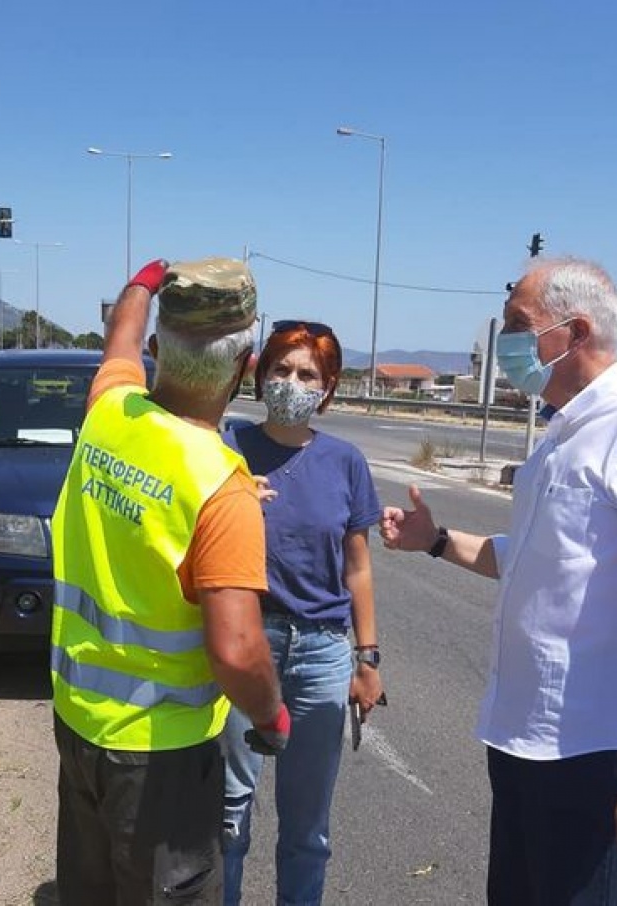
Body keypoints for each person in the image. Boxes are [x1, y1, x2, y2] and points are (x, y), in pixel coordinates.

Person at [380, 258, 617, 905]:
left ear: (574, 333)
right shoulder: (556, 441)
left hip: (592, 757)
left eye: (518, 325)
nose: (503, 345)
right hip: (522, 744)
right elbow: (530, 559)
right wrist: (434, 540)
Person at [49, 257, 290, 906]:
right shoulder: (220, 485)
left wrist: (147, 278)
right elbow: (237, 651)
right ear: (247, 369)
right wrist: (272, 715)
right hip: (162, 758)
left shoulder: (111, 413)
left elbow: (118, 337)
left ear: (158, 351)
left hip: (79, 729)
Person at [221, 319, 383, 905]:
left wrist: (367, 659)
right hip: (245, 644)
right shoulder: (228, 448)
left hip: (321, 654)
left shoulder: (345, 463)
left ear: (328, 386)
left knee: (307, 829)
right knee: (228, 817)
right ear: (260, 375)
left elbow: (357, 568)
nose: (292, 382)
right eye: (281, 370)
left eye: (307, 374)